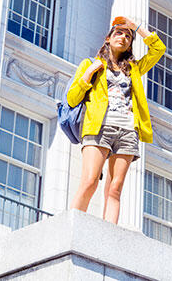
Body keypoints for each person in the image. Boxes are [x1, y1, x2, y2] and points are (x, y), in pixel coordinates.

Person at [67, 16, 165, 223]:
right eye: (119, 33)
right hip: (98, 127)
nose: (124, 37)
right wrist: (89, 74)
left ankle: (107, 238)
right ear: (108, 39)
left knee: (115, 189)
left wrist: (135, 26)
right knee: (90, 181)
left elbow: (158, 49)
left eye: (128, 36)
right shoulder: (90, 64)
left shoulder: (134, 69)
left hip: (128, 130)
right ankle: (71, 226)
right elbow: (72, 98)